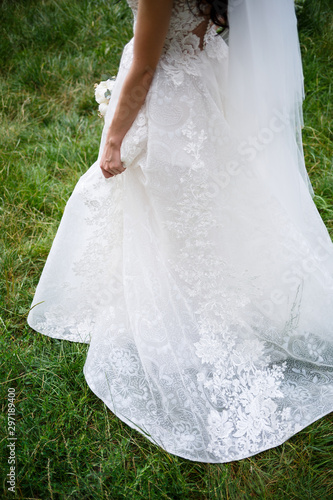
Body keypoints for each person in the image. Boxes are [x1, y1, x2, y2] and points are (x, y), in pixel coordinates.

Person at [27, 0, 333, 463]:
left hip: (167, 101)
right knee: (199, 209)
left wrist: (114, 139)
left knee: (162, 209)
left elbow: (147, 67)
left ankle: (179, 311)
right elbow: (194, 32)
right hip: (203, 78)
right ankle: (206, 293)